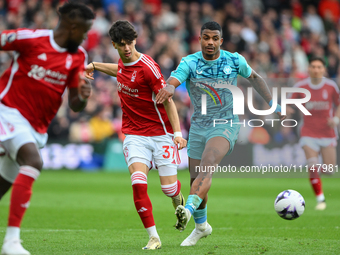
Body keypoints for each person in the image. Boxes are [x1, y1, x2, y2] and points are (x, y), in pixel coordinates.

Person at [156, 21, 285, 246]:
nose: (210, 42)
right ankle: (201, 227)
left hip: (226, 123)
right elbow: (175, 79)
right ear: (200, 39)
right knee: (195, 180)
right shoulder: (190, 62)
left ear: (221, 41)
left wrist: (273, 104)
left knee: (209, 162)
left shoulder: (234, 60)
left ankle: (186, 210)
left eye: (215, 38)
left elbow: (255, 78)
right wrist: (169, 87)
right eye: (206, 37)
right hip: (198, 126)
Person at [0, 3, 95, 255]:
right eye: (84, 32)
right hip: (7, 110)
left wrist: (83, 97)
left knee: (3, 183)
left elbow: (75, 105)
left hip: (35, 127)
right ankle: (11, 242)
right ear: (72, 27)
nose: (85, 38)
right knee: (33, 161)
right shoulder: (30, 39)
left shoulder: (79, 56)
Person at [85, 20, 187, 250]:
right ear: (114, 45)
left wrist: (178, 133)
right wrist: (95, 65)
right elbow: (119, 70)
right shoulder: (123, 62)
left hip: (161, 134)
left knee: (168, 189)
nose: (127, 48)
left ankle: (179, 201)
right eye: (122, 45)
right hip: (134, 134)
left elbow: (168, 102)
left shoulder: (148, 67)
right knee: (138, 183)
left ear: (135, 41)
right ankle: (153, 237)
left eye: (130, 43)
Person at [289, 57, 340, 210]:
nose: (316, 69)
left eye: (319, 67)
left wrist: (336, 118)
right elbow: (289, 103)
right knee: (313, 165)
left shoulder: (331, 86)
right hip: (308, 132)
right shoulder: (300, 86)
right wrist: (287, 110)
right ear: (309, 69)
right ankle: (320, 199)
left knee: (330, 170)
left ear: (323, 69)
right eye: (313, 66)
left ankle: (318, 175)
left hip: (327, 133)